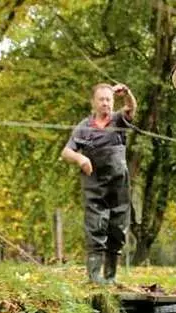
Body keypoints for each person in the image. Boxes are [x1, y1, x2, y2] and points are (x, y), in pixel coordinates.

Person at [61, 83, 137, 284]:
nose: (106, 103)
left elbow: (131, 108)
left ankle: (110, 278)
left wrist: (127, 93)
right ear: (93, 102)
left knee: (117, 229)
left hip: (119, 185)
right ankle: (94, 277)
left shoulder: (119, 120)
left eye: (109, 100)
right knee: (96, 227)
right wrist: (80, 159)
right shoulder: (84, 127)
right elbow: (66, 151)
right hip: (94, 186)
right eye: (102, 99)